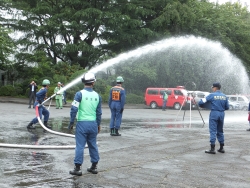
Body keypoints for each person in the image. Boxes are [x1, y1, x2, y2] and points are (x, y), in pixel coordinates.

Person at [68, 72, 102, 176]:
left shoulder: (79, 94)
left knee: (80, 146)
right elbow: (99, 113)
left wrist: (71, 123)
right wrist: (98, 124)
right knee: (93, 145)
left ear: (84, 82)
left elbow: (74, 109)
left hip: (82, 124)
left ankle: (77, 169)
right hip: (93, 124)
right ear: (93, 83)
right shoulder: (97, 96)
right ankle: (94, 166)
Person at [198, 82, 229, 154]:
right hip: (222, 114)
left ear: (215, 88)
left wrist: (204, 104)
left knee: (213, 130)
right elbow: (227, 107)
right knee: (220, 130)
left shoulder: (212, 95)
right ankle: (221, 148)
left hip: (214, 113)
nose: (212, 89)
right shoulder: (224, 96)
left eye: (212, 88)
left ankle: (212, 148)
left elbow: (201, 102)